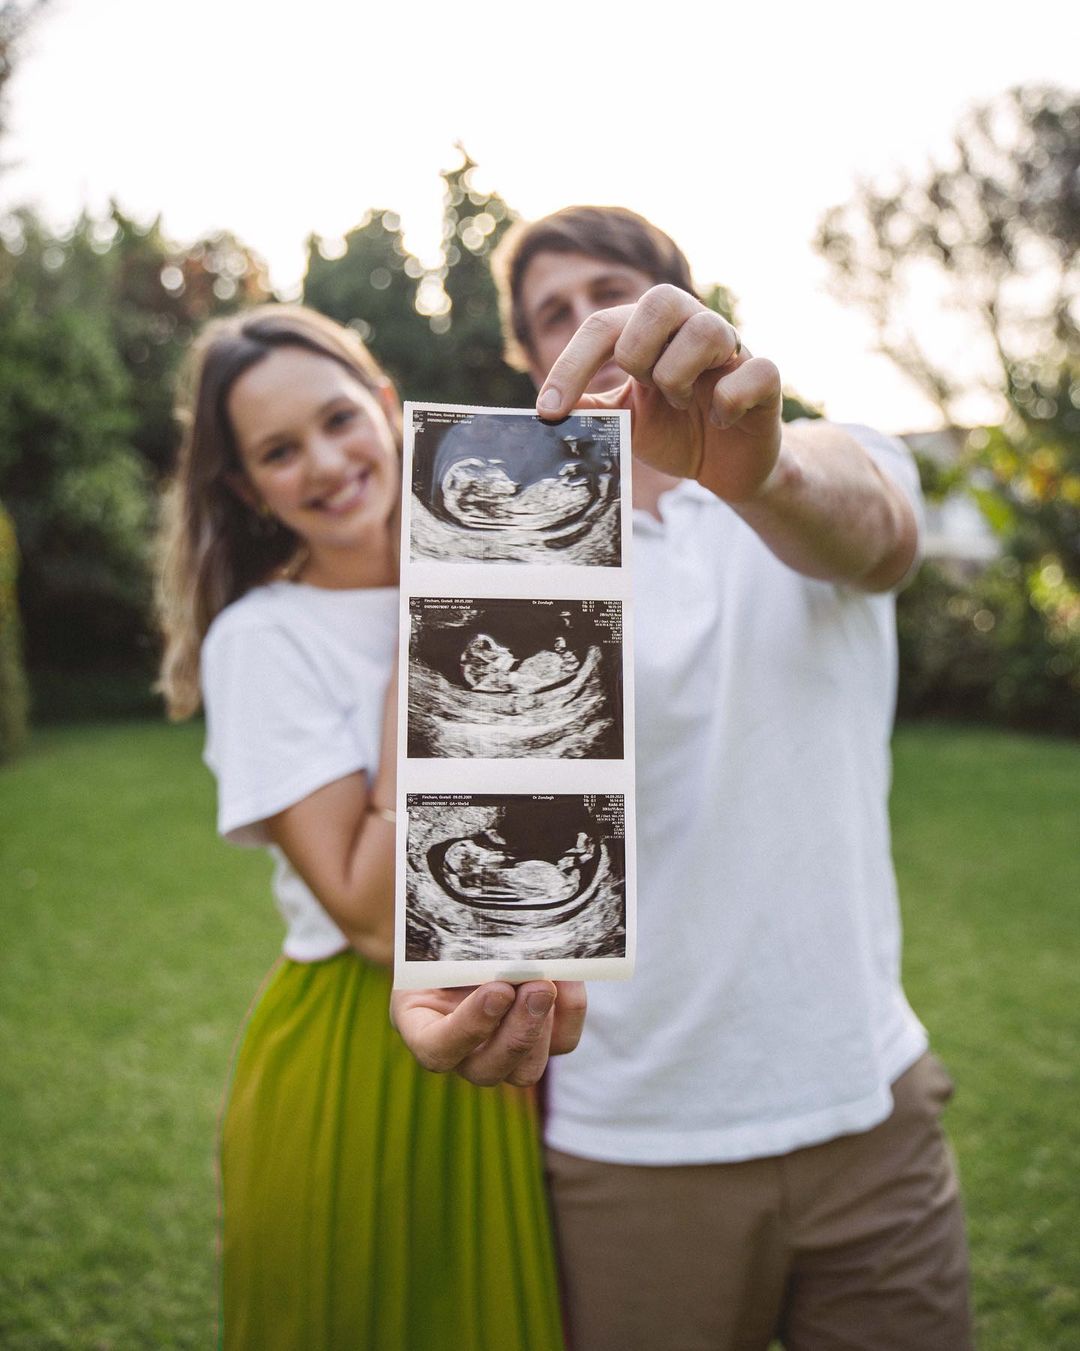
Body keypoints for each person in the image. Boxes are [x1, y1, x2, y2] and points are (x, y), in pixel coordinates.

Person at [392, 208, 973, 1350]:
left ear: (681, 307)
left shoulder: (822, 461)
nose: (584, 322)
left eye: (607, 291)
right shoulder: (506, 546)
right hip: (633, 1143)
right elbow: (492, 824)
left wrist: (753, 471)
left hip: (870, 1110)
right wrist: (457, 982)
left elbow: (879, 533)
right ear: (529, 361)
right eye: (550, 314)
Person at [155, 304, 582, 1350]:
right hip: (353, 1051)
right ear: (249, 488)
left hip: (510, 1038)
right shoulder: (261, 640)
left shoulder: (516, 576)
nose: (327, 463)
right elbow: (368, 911)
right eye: (278, 451)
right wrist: (422, 655)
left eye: (340, 419)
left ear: (389, 409)